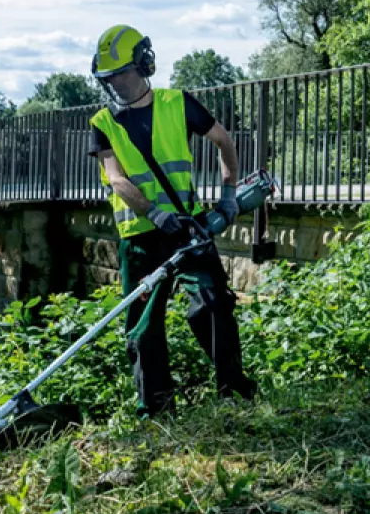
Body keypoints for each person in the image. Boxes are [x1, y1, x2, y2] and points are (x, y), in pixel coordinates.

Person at [87, 24, 257, 416]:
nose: (115, 84)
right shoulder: (102, 123)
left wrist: (228, 194)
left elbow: (223, 140)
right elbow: (116, 178)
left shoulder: (177, 103)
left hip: (190, 229)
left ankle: (234, 394)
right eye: (108, 78)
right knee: (144, 327)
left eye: (121, 74)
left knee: (212, 305)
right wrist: (155, 213)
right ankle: (157, 413)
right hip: (141, 237)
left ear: (144, 65)